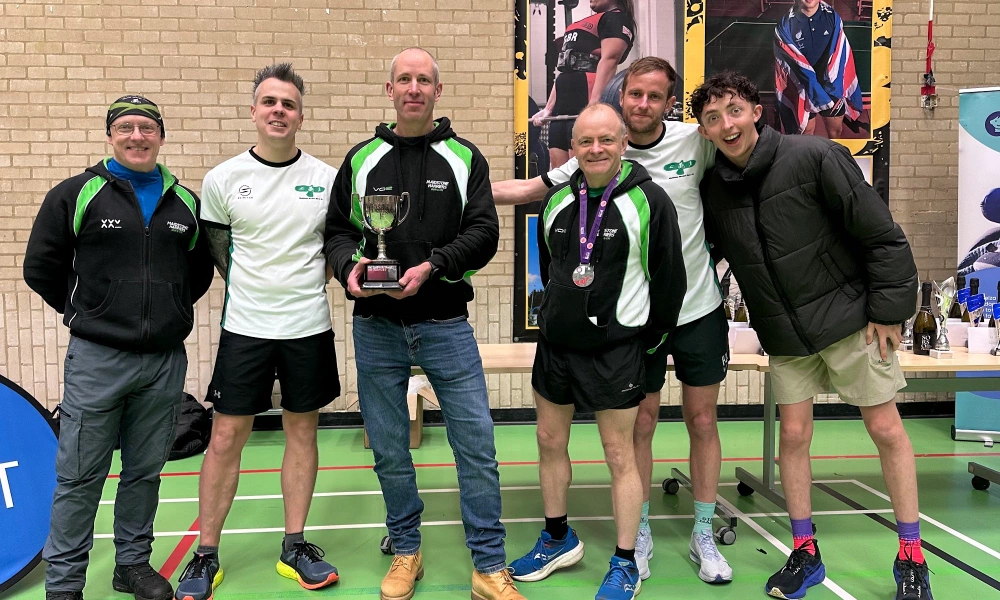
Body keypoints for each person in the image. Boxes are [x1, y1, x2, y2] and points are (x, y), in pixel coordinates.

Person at [690, 71, 930, 600]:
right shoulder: (713, 189)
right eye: (712, 118)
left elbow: (882, 236)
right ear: (704, 132)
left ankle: (911, 557)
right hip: (785, 337)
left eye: (733, 110)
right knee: (793, 439)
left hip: (850, 323)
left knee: (887, 430)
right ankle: (805, 552)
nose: (726, 124)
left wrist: (890, 310)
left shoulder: (814, 156)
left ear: (755, 110)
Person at [495, 56, 734, 584]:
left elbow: (671, 270)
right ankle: (630, 532)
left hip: (683, 312)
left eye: (655, 96)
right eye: (635, 94)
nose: (644, 103)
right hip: (587, 334)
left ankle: (700, 532)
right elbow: (552, 248)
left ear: (667, 105)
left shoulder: (694, 146)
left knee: (698, 422)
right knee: (628, 428)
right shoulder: (568, 184)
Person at [323, 48, 523, 600]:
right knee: (389, 447)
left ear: (438, 91)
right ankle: (406, 550)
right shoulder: (362, 159)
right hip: (376, 326)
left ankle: (488, 566)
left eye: (424, 80)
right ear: (389, 89)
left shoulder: (465, 158)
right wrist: (350, 267)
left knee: (476, 445)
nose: (414, 87)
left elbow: (484, 232)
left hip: (445, 321)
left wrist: (434, 265)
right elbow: (337, 231)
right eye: (404, 79)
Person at [24, 96, 214, 600]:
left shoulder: (185, 204)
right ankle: (64, 585)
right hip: (97, 359)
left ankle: (131, 564)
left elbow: (193, 276)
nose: (137, 136)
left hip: (164, 363)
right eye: (126, 127)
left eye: (147, 128)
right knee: (80, 476)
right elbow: (40, 265)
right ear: (111, 135)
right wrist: (87, 311)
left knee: (145, 471)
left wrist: (167, 311)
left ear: (161, 136)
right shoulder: (77, 193)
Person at [173, 63, 341, 600]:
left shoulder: (328, 178)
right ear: (253, 111)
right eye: (269, 102)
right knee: (224, 438)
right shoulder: (222, 180)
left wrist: (298, 288)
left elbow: (333, 252)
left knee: (302, 433)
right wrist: (259, 290)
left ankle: (295, 545)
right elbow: (220, 251)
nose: (278, 111)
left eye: (288, 104)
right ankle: (206, 554)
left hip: (308, 327)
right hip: (245, 329)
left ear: (300, 114)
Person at [507, 103, 685, 600]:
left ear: (623, 142)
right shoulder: (560, 201)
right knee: (548, 441)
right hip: (558, 348)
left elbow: (670, 281)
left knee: (618, 454)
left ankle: (625, 561)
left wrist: (650, 345)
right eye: (586, 141)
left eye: (606, 139)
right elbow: (553, 267)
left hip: (616, 350)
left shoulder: (649, 201)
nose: (596, 149)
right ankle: (558, 539)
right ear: (575, 148)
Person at [533, 0, 636, 168]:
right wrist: (548, 109)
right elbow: (564, 67)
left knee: (581, 172)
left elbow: (609, 60)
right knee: (558, 176)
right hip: (562, 106)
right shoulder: (582, 24)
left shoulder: (616, 19)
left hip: (585, 99)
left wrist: (594, 105)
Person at [774, 0, 863, 138]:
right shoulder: (785, 25)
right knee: (806, 135)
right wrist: (812, 88)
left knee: (835, 133)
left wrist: (832, 89)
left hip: (830, 88)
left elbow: (839, 57)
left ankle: (831, 159)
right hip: (803, 88)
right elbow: (790, 64)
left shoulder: (833, 18)